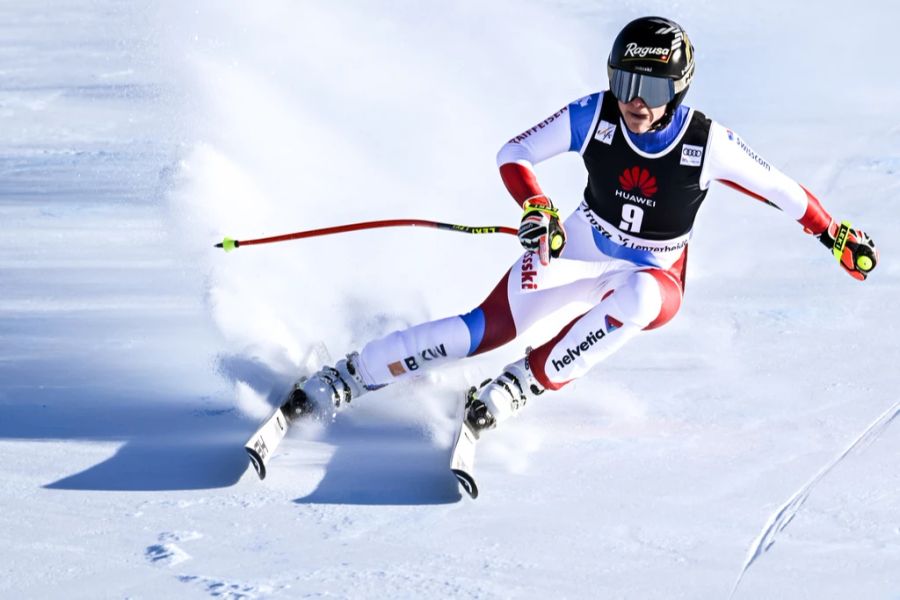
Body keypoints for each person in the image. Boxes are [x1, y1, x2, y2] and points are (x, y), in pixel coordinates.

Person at [288, 16, 879, 433]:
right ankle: (349, 376)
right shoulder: (593, 114)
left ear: (677, 89)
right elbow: (513, 153)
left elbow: (781, 189)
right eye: (625, 82)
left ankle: (525, 383)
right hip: (579, 243)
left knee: (643, 294)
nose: (634, 100)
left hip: (654, 271)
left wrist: (832, 234)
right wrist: (536, 208)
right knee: (479, 331)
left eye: (649, 88)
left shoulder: (707, 142)